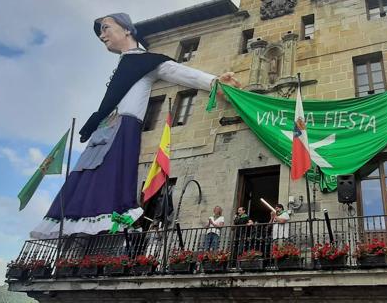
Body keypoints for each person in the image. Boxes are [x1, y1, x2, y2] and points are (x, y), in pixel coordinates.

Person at [30, 13, 240, 239]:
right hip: (104, 130)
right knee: (87, 183)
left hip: (122, 129)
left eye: (105, 28)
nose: (102, 35)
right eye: (100, 31)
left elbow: (179, 72)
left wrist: (214, 82)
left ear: (127, 30)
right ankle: (79, 242)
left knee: (109, 184)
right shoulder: (123, 64)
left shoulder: (145, 61)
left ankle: (98, 241)